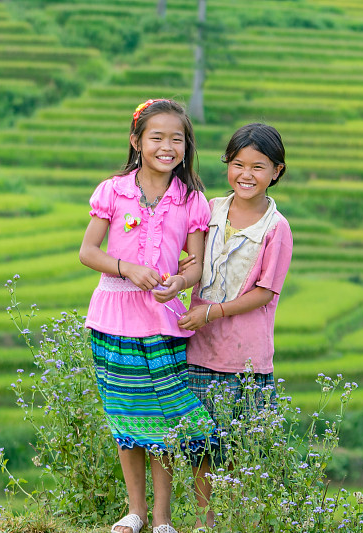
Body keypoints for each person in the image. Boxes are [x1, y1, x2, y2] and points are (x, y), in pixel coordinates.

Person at [79, 99, 214, 533]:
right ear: (137, 141)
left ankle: (162, 518)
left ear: (186, 147)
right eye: (157, 137)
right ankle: (136, 511)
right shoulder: (112, 190)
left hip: (163, 319)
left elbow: (195, 262)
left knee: (164, 420)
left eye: (177, 139)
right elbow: (88, 252)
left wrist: (179, 282)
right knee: (126, 414)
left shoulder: (192, 199)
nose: (167, 146)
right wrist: (126, 268)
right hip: (113, 318)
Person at [178, 123, 293, 529]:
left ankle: (240, 519)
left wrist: (212, 312)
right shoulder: (211, 209)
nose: (246, 174)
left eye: (258, 167)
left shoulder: (276, 229)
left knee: (243, 448)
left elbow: (265, 292)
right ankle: (204, 520)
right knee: (202, 447)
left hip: (245, 357)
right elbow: (192, 260)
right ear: (227, 165)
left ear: (276, 171)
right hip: (200, 350)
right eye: (238, 164)